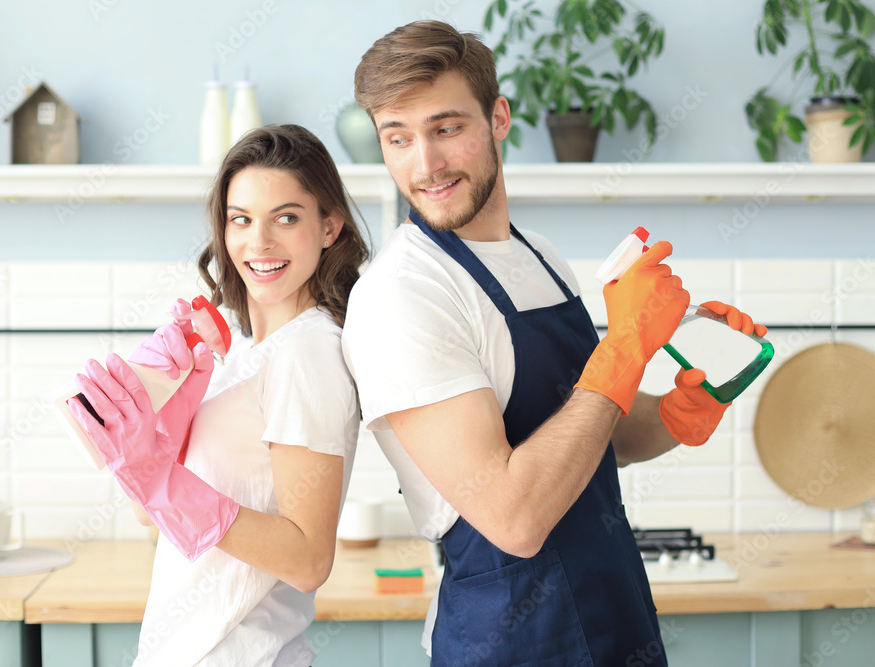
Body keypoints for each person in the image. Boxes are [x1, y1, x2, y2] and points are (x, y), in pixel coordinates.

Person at [341, 21, 767, 666]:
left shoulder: (539, 256)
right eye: (397, 138)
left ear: (498, 118)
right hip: (513, 639)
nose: (424, 165)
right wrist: (625, 346)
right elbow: (513, 519)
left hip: (617, 618)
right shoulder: (400, 295)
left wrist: (677, 412)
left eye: (446, 128)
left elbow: (594, 432)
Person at [70, 124, 370, 666]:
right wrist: (161, 422)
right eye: (241, 219)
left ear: (329, 226)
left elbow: (308, 560)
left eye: (286, 217)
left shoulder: (306, 353)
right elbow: (152, 515)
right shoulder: (250, 351)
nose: (260, 242)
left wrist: (160, 476)